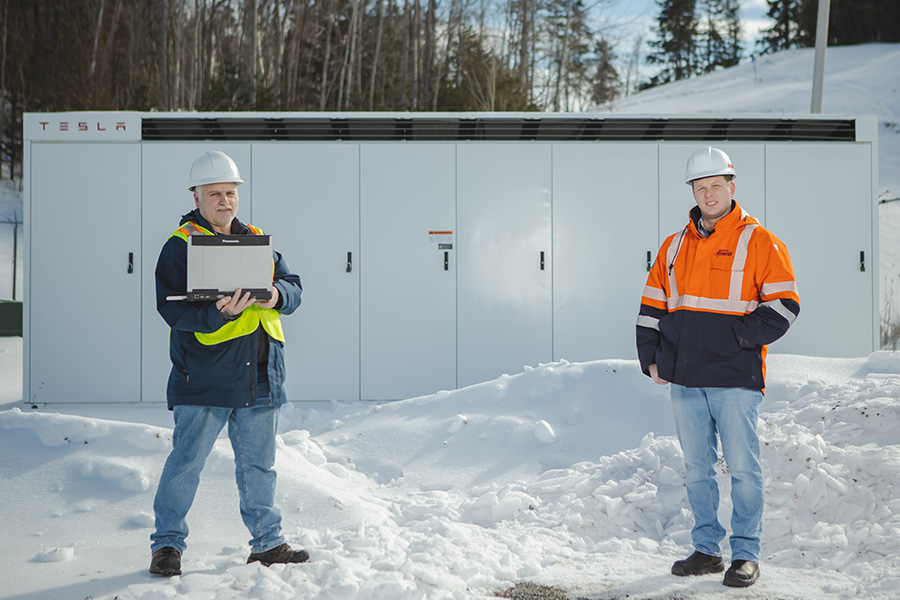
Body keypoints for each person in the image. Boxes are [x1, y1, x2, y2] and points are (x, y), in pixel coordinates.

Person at [636, 146, 800, 588]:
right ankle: (707, 550)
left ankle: (745, 553)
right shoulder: (673, 246)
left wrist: (736, 339)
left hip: (734, 378)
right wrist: (650, 355)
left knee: (744, 468)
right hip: (686, 378)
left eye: (716, 185)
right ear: (693, 191)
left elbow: (784, 306)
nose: (708, 194)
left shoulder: (759, 240)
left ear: (731, 186)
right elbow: (652, 305)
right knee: (697, 469)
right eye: (700, 187)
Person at [149, 150, 307, 577]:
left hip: (260, 376)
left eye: (230, 193)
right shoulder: (180, 245)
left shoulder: (256, 238)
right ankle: (167, 546)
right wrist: (218, 312)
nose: (225, 201)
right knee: (186, 463)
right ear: (196, 197)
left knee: (259, 466)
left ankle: (267, 544)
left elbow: (293, 287)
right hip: (203, 377)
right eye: (215, 193)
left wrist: (277, 295)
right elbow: (171, 308)